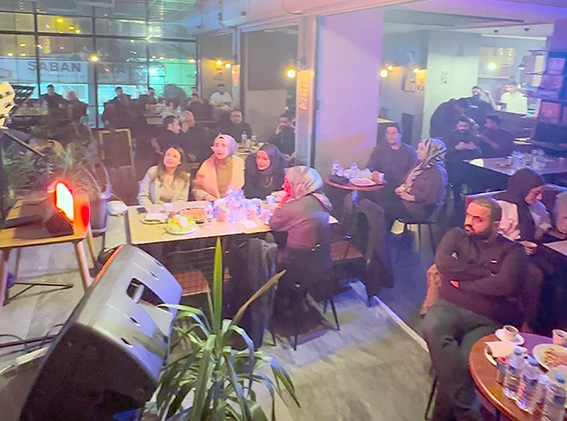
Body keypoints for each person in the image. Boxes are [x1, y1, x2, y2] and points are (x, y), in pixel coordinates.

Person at [423, 198, 527, 421]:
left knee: (460, 365)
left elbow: (504, 285)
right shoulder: (456, 235)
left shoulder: (513, 250)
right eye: (468, 215)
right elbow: (443, 264)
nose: (469, 222)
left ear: (496, 225)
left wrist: (463, 283)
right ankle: (468, 413)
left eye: (478, 219)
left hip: (487, 318)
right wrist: (485, 273)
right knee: (432, 326)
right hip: (450, 306)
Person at [373, 138, 448, 227]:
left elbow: (432, 198)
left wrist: (411, 198)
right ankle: (380, 232)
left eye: (422, 149)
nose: (417, 151)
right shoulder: (419, 165)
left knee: (383, 207)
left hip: (418, 209)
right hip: (405, 200)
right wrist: (402, 188)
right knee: (378, 196)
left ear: (432, 152)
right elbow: (406, 179)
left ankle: (381, 234)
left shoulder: (437, 172)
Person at [270, 166, 332, 269]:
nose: (283, 185)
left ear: (299, 184)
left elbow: (273, 224)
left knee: (266, 242)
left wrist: (282, 204)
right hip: (322, 258)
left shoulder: (292, 207)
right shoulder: (323, 200)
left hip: (295, 260)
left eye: (287, 182)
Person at [495, 168, 550, 245]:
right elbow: (495, 235)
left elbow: (545, 221)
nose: (539, 197)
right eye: (536, 193)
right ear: (523, 190)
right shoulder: (502, 206)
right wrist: (518, 245)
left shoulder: (537, 205)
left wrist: (541, 229)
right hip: (508, 246)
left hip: (533, 244)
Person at [192, 134, 245, 201]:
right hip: (212, 203)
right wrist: (207, 196)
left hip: (235, 203)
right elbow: (197, 188)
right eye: (216, 145)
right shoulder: (206, 164)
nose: (219, 149)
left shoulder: (240, 163)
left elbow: (246, 188)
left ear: (231, 147)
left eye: (224, 145)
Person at [367, 122, 417, 187]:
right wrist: (374, 173)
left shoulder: (410, 151)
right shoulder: (379, 149)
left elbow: (413, 171)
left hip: (401, 186)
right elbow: (370, 166)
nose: (390, 136)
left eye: (394, 133)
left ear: (400, 135)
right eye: (388, 133)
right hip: (381, 185)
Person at [445, 116, 482, 200]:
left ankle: (472, 200)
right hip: (453, 164)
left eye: (465, 126)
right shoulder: (450, 136)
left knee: (478, 181)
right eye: (461, 126)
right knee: (456, 179)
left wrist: (474, 148)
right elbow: (444, 152)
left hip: (469, 166)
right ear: (457, 125)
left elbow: (480, 154)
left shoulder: (473, 137)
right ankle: (457, 199)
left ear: (469, 126)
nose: (463, 128)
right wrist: (455, 148)